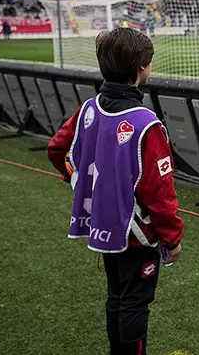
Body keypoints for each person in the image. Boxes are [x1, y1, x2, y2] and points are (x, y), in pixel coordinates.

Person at [47, 28, 184, 355]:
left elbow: (57, 149)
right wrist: (172, 238)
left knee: (116, 295)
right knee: (135, 301)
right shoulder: (146, 123)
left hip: (102, 223)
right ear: (141, 68)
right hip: (136, 233)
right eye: (150, 61)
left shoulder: (89, 109)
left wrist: (81, 181)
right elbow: (159, 192)